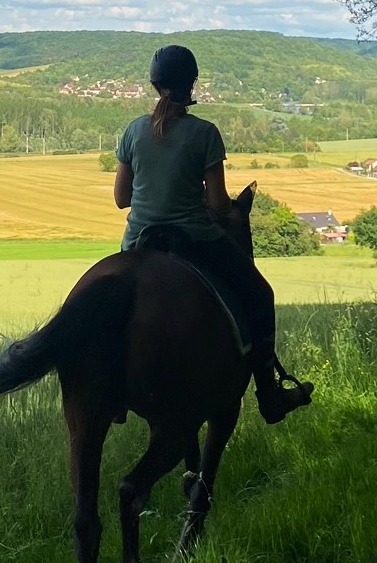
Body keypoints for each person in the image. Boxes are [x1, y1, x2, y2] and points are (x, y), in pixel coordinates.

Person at [113, 43, 313, 424]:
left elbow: (122, 199)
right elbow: (221, 205)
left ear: (154, 84)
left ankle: (113, 396)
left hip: (137, 242)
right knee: (260, 293)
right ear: (192, 84)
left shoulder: (133, 131)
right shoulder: (204, 133)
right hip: (196, 240)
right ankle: (269, 393)